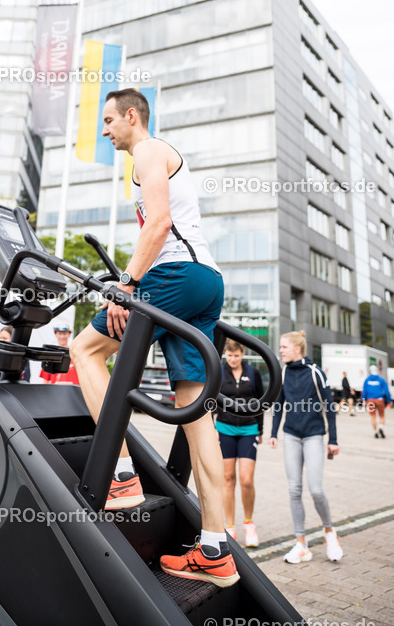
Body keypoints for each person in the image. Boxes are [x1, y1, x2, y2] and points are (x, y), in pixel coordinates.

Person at [70, 89, 238, 589]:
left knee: (84, 349)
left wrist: (125, 286)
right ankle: (215, 549)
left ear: (131, 115)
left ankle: (121, 475)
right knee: (195, 413)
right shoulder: (154, 157)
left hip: (177, 274)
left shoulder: (147, 150)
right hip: (206, 281)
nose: (105, 130)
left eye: (108, 121)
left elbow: (160, 223)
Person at [269, 331, 343, 564]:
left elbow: (329, 407)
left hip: (313, 436)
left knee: (316, 489)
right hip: (291, 436)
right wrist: (273, 433)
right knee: (294, 489)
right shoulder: (283, 372)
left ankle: (329, 532)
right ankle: (301, 544)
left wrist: (333, 440)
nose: (280, 350)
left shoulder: (315, 372)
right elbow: (278, 405)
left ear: (297, 348)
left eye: (284, 347)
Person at [215, 340, 264, 547]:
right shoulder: (219, 371)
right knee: (228, 478)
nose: (233, 359)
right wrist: (212, 428)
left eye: (236, 356)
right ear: (225, 354)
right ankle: (230, 527)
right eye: (229, 355)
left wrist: (260, 430)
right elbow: (211, 400)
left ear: (242, 354)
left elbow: (262, 401)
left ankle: (249, 524)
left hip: (248, 429)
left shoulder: (253, 372)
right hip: (224, 428)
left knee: (246, 480)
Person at [361, 367, 391, 438]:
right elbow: (386, 390)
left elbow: (364, 390)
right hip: (379, 400)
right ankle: (381, 427)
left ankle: (375, 432)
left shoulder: (367, 380)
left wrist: (363, 400)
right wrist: (389, 400)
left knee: (373, 416)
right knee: (382, 415)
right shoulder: (381, 379)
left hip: (370, 400)